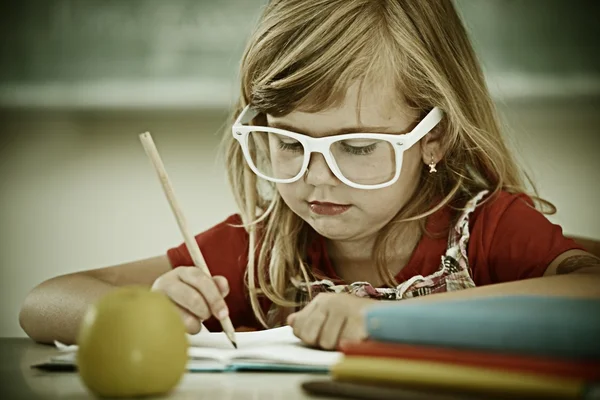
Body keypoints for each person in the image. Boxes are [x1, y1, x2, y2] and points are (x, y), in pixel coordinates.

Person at [20, 0, 600, 349]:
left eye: (356, 147)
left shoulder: (489, 228)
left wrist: (379, 318)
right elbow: (45, 303)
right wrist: (147, 313)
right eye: (288, 142)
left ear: (435, 138)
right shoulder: (266, 250)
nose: (316, 178)